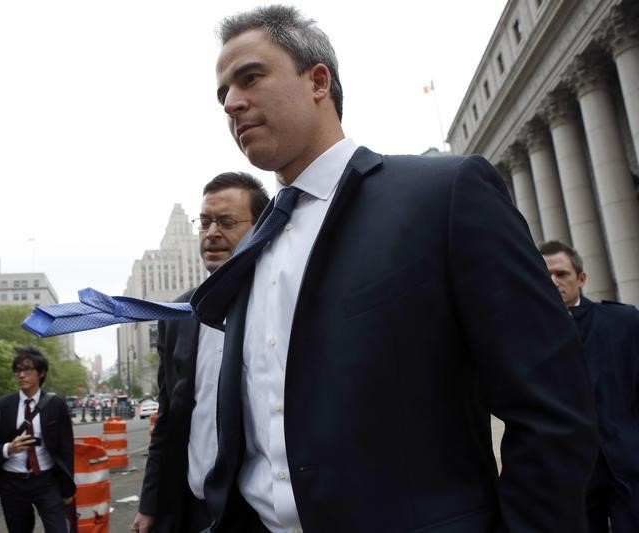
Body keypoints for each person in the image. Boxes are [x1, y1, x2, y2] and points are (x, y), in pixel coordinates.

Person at [190, 5, 599, 532]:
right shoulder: (253, 245)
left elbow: (552, 410)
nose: (232, 103)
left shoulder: (445, 196)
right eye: (222, 93)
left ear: (318, 81)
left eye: (250, 78)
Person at [132, 172, 270, 533]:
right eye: (205, 222)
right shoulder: (179, 313)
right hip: (192, 508)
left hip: (263, 515)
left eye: (226, 222)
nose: (212, 233)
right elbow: (170, 418)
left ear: (261, 227)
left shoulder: (281, 301)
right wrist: (150, 505)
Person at [540, 240, 639, 532]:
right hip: (570, 477)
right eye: (544, 276)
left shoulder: (624, 322)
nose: (553, 282)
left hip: (628, 465)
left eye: (561, 274)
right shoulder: (527, 337)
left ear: (581, 278)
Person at [0, 346, 75, 533]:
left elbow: (66, 448)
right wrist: (9, 448)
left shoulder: (55, 405)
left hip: (46, 481)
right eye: (17, 370)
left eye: (27, 370)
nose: (21, 375)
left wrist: (68, 489)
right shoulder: (3, 405)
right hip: (12, 483)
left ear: (41, 373)